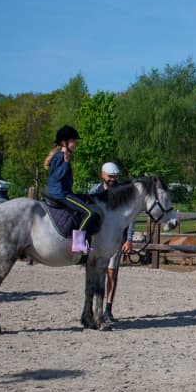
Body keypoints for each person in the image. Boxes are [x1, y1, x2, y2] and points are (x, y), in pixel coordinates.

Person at [89, 162, 135, 324]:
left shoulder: (123, 194)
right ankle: (93, 307)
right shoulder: (94, 192)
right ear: (102, 175)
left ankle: (108, 308)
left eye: (115, 177)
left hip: (116, 240)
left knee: (112, 273)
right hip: (98, 239)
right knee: (95, 273)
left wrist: (128, 239)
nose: (113, 180)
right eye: (110, 177)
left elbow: (130, 217)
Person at [44, 125, 93, 253]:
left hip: (62, 192)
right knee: (89, 213)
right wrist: (66, 162)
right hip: (61, 194)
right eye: (73, 141)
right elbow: (58, 176)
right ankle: (78, 244)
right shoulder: (61, 156)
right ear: (64, 142)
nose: (75, 143)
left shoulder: (60, 155)